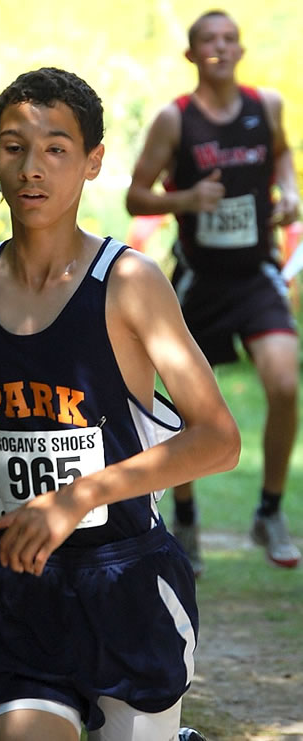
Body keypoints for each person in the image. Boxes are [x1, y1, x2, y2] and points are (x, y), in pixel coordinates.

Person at [0, 67, 239, 741]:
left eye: (56, 148)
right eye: (14, 146)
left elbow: (218, 440)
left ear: (92, 161)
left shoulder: (129, 283)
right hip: (21, 584)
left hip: (128, 581)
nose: (32, 167)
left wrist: (78, 496)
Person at [126, 10, 301, 576]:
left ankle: (268, 511)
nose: (220, 48)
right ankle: (186, 518)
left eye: (229, 39)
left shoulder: (265, 106)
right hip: (199, 278)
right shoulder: (175, 120)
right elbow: (135, 196)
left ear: (241, 50)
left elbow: (282, 154)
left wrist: (289, 192)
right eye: (208, 40)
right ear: (192, 54)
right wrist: (186, 200)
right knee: (185, 404)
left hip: (256, 274)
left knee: (285, 382)